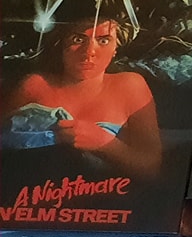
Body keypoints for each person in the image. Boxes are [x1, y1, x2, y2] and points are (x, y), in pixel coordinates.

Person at [3, 15, 162, 178]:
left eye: (104, 41)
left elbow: (151, 168)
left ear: (115, 48)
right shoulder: (34, 86)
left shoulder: (130, 86)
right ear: (61, 44)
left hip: (105, 192)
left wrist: (105, 144)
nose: (89, 52)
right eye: (78, 39)